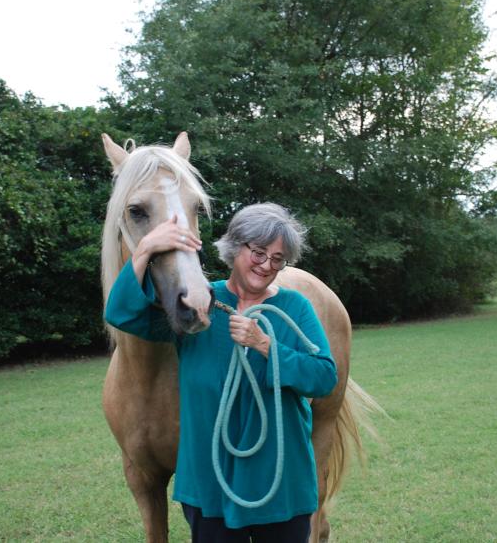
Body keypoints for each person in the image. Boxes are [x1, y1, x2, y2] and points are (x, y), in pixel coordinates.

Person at [105, 202, 337, 543]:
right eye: (258, 253)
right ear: (234, 248)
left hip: (280, 484)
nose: (266, 265)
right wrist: (146, 249)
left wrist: (266, 346)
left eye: (277, 259)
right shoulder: (198, 307)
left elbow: (323, 377)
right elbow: (122, 314)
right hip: (209, 486)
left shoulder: (295, 307)